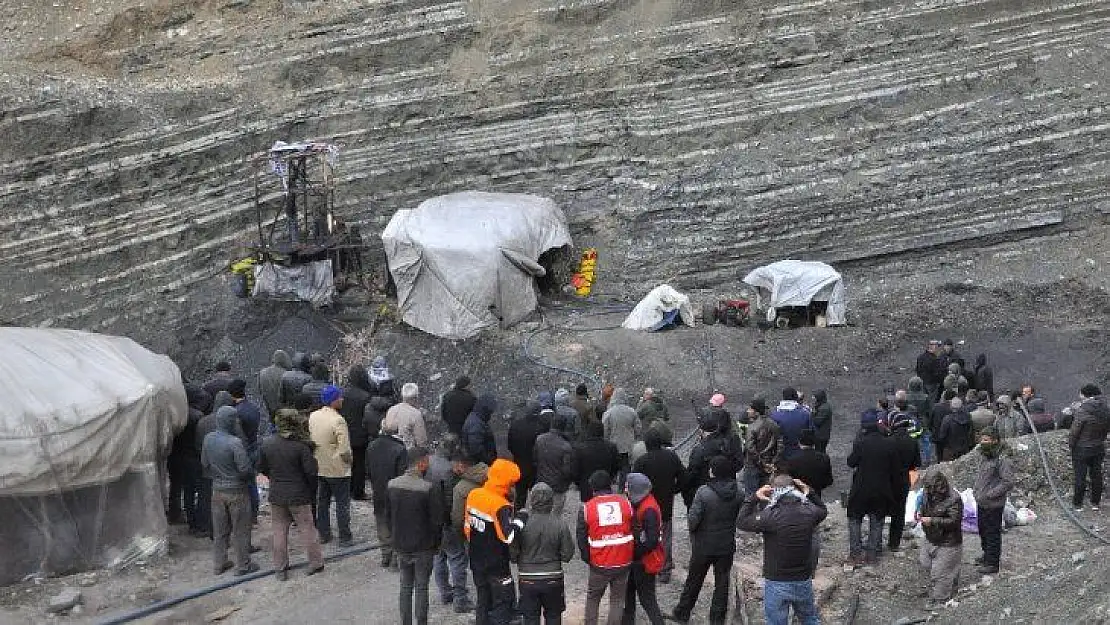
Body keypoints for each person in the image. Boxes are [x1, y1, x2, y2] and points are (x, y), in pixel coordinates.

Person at [738, 475, 827, 625]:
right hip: (802, 578)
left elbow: (741, 521)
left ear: (772, 491)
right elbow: (823, 510)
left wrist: (754, 497)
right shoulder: (809, 512)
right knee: (809, 619)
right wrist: (809, 491)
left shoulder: (769, 516)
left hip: (776, 580)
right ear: (795, 489)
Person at [671, 457, 741, 625]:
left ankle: (682, 612)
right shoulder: (739, 491)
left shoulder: (704, 492)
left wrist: (693, 532)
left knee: (694, 580)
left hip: (703, 544)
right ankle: (717, 620)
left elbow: (693, 519)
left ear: (713, 471)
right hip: (726, 545)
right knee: (722, 584)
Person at [259, 408, 324, 580]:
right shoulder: (301, 446)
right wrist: (310, 490)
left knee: (279, 531)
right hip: (299, 494)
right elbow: (311, 472)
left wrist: (274, 477)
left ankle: (280, 568)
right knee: (307, 529)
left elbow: (262, 467)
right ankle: (315, 562)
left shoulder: (267, 443)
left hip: (277, 494)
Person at [465, 459, 526, 625]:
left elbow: (467, 529)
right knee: (502, 603)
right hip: (497, 564)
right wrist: (521, 518)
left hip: (476, 559)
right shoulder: (500, 504)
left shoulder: (474, 494)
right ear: (507, 483)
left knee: (483, 601)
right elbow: (508, 536)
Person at [200, 406, 258, 576]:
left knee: (220, 531)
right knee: (240, 529)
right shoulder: (235, 443)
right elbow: (245, 469)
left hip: (217, 490)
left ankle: (219, 563)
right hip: (237, 491)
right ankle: (243, 565)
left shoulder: (208, 438)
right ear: (231, 422)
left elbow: (205, 463)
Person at [389, 447, 444, 625]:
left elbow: (388, 515)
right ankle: (421, 622)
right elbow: (437, 520)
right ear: (421, 463)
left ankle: (405, 622)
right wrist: (436, 544)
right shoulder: (428, 488)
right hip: (423, 546)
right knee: (421, 587)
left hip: (401, 545)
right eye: (427, 461)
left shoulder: (392, 485)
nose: (428, 464)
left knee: (405, 586)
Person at [512, 482, 575, 625]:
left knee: (530, 618)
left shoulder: (522, 523)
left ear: (531, 499)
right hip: (553, 578)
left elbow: (513, 555)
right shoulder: (560, 523)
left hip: (527, 579)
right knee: (553, 617)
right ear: (551, 500)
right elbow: (567, 555)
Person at [578, 470, 634, 625]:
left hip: (599, 563)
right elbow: (634, 528)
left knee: (593, 598)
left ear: (593, 488)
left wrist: (587, 558)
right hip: (623, 561)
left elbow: (581, 538)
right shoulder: (625, 503)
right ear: (610, 485)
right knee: (617, 600)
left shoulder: (587, 508)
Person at [632, 428, 687, 584]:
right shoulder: (671, 457)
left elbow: (632, 484)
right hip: (666, 503)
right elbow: (684, 477)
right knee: (666, 537)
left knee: (645, 535)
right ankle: (665, 568)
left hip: (646, 506)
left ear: (646, 444)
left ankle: (647, 564)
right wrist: (674, 490)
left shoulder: (641, 462)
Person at [845, 408, 898, 568]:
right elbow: (895, 468)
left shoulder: (861, 442)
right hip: (881, 489)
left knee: (855, 519)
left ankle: (855, 554)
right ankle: (872, 555)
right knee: (876, 521)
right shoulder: (889, 443)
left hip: (861, 488)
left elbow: (851, 462)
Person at [426, 437, 473, 613]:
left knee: (439, 556)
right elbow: (450, 500)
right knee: (457, 558)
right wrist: (455, 524)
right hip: (447, 521)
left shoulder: (429, 461)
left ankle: (445, 591)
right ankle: (460, 599)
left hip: (432, 520)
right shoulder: (450, 470)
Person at [310, 385, 354, 546]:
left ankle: (324, 533)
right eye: (339, 397)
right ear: (334, 400)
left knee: (323, 502)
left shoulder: (313, 416)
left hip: (320, 466)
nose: (342, 399)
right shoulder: (338, 420)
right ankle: (345, 536)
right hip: (338, 469)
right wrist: (350, 462)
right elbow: (344, 449)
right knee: (342, 504)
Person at [916, 465, 963, 610]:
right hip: (930, 537)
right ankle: (951, 577)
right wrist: (918, 512)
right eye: (927, 488)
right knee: (925, 563)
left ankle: (940, 600)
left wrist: (932, 520)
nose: (929, 491)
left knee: (940, 573)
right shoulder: (925, 493)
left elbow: (954, 521)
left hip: (948, 541)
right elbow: (922, 505)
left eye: (931, 488)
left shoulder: (954, 499)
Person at [621, 473, 666, 625]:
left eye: (627, 486)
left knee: (647, 600)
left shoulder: (648, 510)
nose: (625, 490)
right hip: (639, 560)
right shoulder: (644, 503)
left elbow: (652, 540)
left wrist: (633, 553)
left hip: (643, 561)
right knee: (628, 597)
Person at [972, 427, 1014, 575]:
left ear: (994, 440)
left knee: (992, 533)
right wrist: (977, 491)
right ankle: (986, 555)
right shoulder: (985, 455)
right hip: (982, 501)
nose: (982, 442)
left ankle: (992, 563)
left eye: (986, 440)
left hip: (993, 503)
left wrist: (990, 494)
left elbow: (1008, 482)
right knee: (983, 530)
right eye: (982, 439)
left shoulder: (1002, 459)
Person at [367, 422, 409, 568]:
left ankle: (386, 554)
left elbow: (368, 471)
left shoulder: (371, 446)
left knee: (382, 523)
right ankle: (396, 558)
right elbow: (403, 473)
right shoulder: (400, 448)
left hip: (378, 489)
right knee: (397, 524)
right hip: (395, 491)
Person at [169, 384, 205, 532]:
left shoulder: (174, 414)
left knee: (175, 487)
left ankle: (175, 513)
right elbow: (200, 440)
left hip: (174, 456)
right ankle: (195, 521)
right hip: (192, 457)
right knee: (194, 489)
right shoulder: (197, 416)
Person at [1069, 384, 1110, 511]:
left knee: (1080, 476)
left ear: (1086, 395)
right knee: (1096, 476)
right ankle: (1095, 503)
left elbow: (1075, 431)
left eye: (1080, 393)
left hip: (1082, 448)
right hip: (1098, 448)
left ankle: (1078, 504)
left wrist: (1071, 445)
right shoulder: (1106, 409)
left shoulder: (1083, 410)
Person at [228, 379, 262, 523]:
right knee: (252, 482)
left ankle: (245, 515)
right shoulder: (253, 408)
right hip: (254, 447)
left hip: (243, 450)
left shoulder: (236, 413)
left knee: (243, 484)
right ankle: (254, 512)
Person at [887, 413, 920, 553]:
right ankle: (894, 543)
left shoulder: (889, 440)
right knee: (899, 512)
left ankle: (875, 541)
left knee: (881, 509)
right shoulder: (912, 442)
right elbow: (916, 464)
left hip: (888, 479)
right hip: (903, 480)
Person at [341, 365, 374, 500]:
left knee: (346, 462)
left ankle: (346, 489)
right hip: (360, 434)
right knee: (359, 463)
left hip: (344, 431)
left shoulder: (342, 393)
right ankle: (358, 492)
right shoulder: (366, 396)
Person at [535, 412, 576, 515]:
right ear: (564, 427)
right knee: (555, 516)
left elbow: (535, 460)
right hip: (558, 486)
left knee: (540, 514)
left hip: (542, 482)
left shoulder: (539, 439)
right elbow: (567, 470)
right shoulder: (566, 446)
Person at [603, 388, 642, 490]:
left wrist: (606, 441)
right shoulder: (631, 411)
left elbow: (605, 429)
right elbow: (638, 428)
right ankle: (623, 488)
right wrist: (635, 437)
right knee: (626, 467)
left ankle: (608, 487)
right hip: (627, 445)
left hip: (613, 444)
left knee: (612, 466)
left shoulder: (609, 412)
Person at [742, 399, 781, 497]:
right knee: (766, 494)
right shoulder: (774, 425)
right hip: (769, 463)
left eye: (750, 409)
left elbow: (750, 449)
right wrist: (773, 461)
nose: (748, 411)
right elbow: (780, 444)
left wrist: (761, 463)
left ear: (757, 412)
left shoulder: (752, 427)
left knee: (751, 496)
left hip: (753, 465)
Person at [575, 420, 622, 502]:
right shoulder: (611, 447)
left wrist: (579, 483)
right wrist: (610, 478)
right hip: (605, 484)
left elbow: (575, 469)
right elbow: (616, 466)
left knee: (588, 509)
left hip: (586, 486)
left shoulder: (580, 448)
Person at [509, 400, 545, 505]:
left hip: (519, 464)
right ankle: (534, 517)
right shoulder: (541, 428)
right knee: (536, 496)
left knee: (520, 495)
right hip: (534, 467)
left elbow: (509, 446)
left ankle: (518, 517)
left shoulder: (515, 425)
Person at [782, 431, 833, 504]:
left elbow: (788, 481)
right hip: (817, 492)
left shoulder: (792, 460)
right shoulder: (824, 458)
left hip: (799, 494)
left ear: (799, 443)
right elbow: (829, 480)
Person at [771, 388, 814, 460]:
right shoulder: (806, 413)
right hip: (800, 453)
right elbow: (811, 432)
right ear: (795, 398)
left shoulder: (773, 414)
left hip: (779, 454)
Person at [384, 383, 429, 450]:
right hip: (407, 452)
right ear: (416, 397)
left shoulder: (391, 409)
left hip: (391, 450)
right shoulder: (416, 414)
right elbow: (421, 441)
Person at [462, 393, 500, 465]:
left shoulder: (477, 417)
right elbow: (476, 449)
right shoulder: (476, 424)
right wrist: (489, 460)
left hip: (482, 460)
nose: (491, 413)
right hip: (481, 463)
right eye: (491, 411)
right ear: (486, 410)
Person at [937, 397, 973, 461]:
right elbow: (970, 432)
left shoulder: (947, 419)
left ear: (951, 407)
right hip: (964, 449)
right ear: (961, 406)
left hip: (950, 450)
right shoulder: (968, 417)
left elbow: (942, 436)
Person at [259, 350, 292, 415]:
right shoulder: (286, 374)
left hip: (270, 405)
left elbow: (260, 390)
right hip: (283, 408)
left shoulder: (262, 372)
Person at [810, 390, 832, 454]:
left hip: (821, 436)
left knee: (820, 452)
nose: (814, 399)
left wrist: (812, 414)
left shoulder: (824, 409)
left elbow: (817, 421)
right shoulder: (823, 405)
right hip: (822, 435)